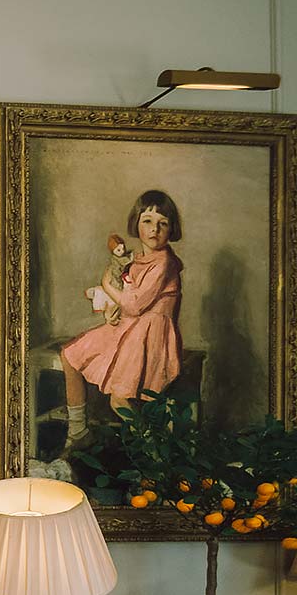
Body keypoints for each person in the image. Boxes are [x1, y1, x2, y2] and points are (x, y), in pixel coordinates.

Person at [56, 189, 185, 446]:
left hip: (150, 334)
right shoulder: (138, 259)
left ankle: (154, 450)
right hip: (130, 327)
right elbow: (131, 300)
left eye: (163, 224)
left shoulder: (164, 263)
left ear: (171, 230)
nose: (154, 229)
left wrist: (107, 284)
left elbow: (136, 305)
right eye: (147, 221)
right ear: (136, 223)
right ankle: (79, 432)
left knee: (119, 399)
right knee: (70, 355)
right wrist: (114, 308)